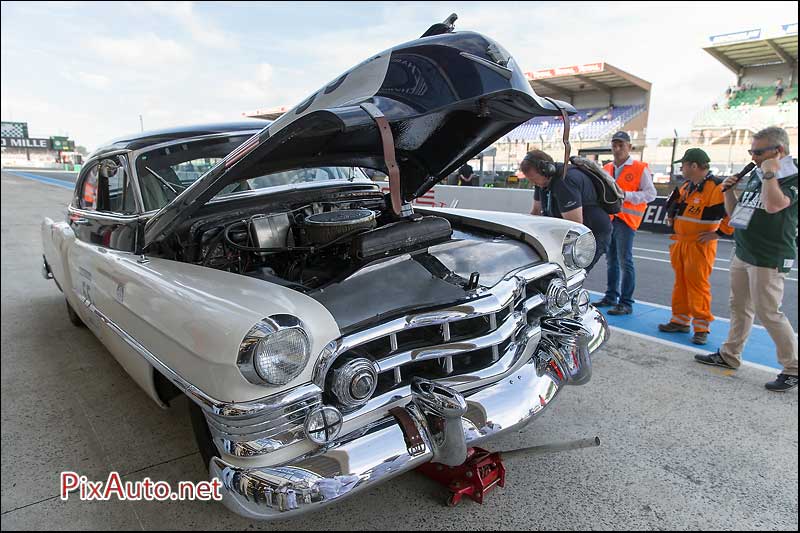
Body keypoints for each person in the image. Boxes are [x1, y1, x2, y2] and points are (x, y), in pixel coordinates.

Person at [696, 126, 798, 392]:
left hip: (770, 254)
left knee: (769, 311)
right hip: (745, 249)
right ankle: (730, 354)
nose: (752, 156)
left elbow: (775, 205)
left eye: (758, 152)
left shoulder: (791, 174)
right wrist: (729, 192)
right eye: (751, 151)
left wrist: (768, 172)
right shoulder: (757, 172)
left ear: (778, 151)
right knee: (739, 306)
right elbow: (736, 216)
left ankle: (793, 367)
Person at [658, 148, 733, 345]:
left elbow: (731, 215)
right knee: (681, 283)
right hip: (681, 242)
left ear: (693, 165)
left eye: (683, 165)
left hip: (699, 244)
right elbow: (677, 208)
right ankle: (680, 320)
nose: (681, 168)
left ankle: (701, 327)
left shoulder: (716, 188)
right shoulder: (687, 187)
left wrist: (717, 234)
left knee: (698, 285)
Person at [594, 131, 657, 315]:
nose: (617, 148)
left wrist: (626, 196)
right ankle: (611, 296)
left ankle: (626, 302)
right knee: (611, 260)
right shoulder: (606, 168)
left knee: (624, 261)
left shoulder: (639, 168)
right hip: (610, 219)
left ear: (629, 146)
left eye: (621, 144)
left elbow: (650, 194)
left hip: (626, 221)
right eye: (615, 144)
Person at [520, 150, 611, 272]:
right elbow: (536, 212)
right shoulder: (542, 182)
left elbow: (575, 225)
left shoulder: (565, 182)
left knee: (571, 275)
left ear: (546, 170)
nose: (533, 183)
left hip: (592, 234)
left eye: (534, 180)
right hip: (572, 233)